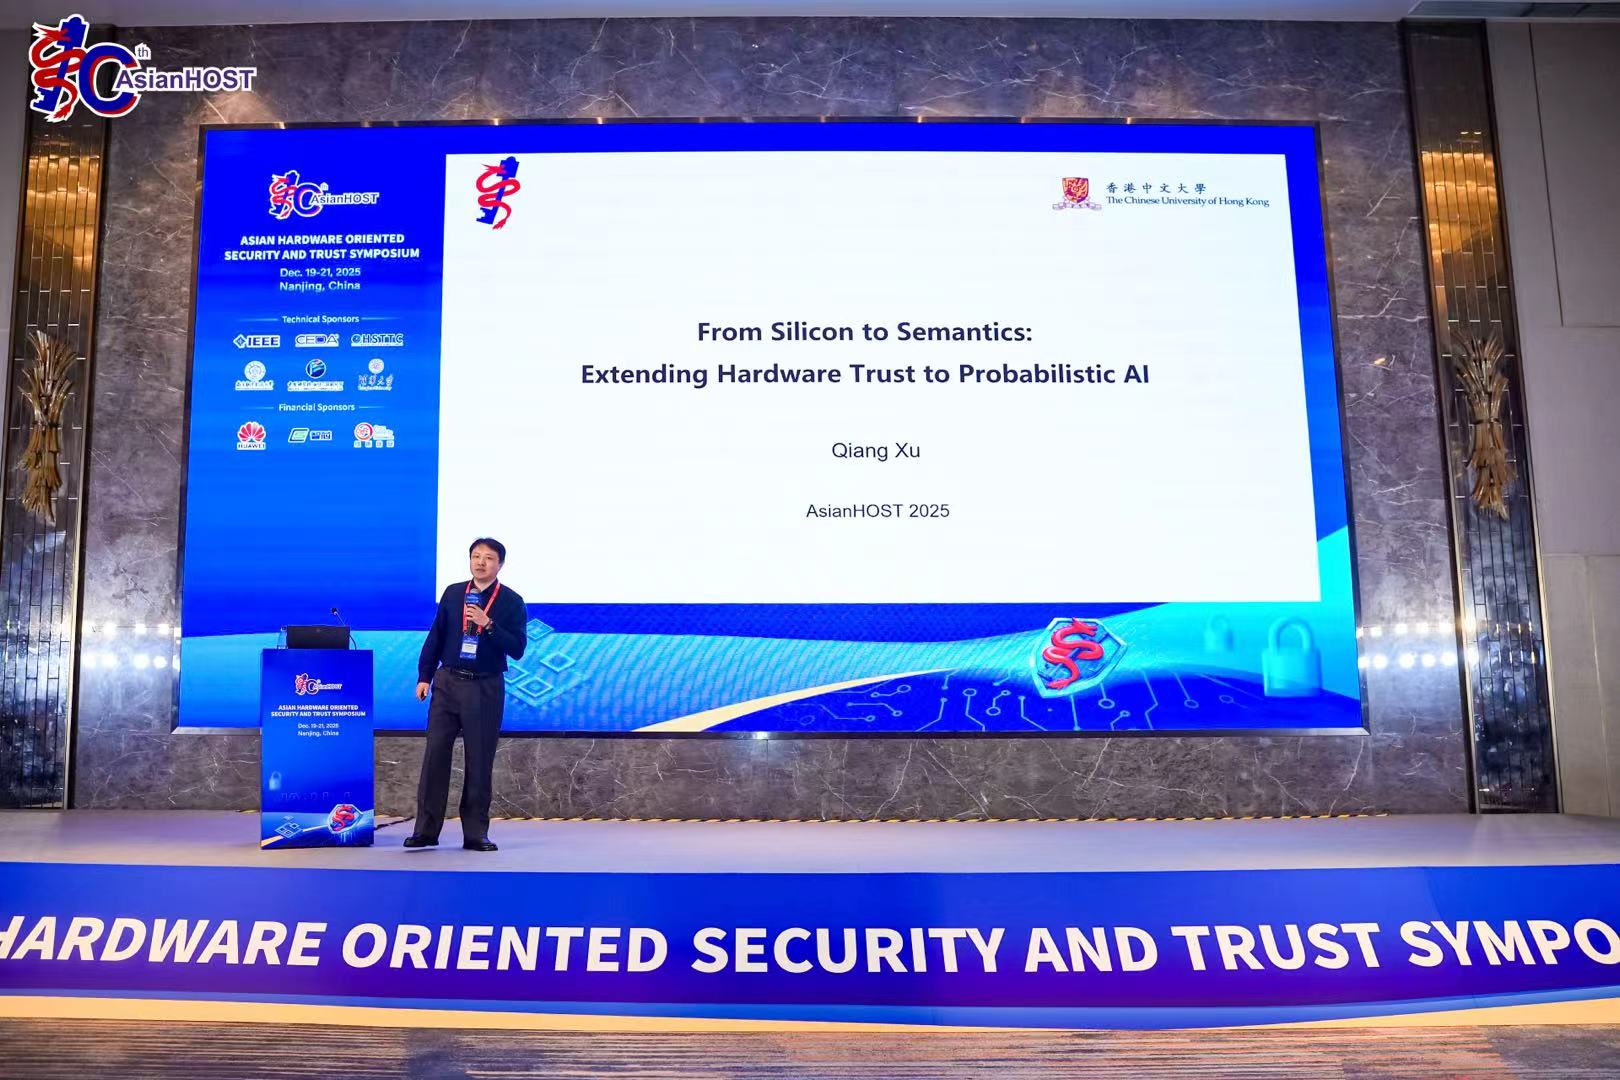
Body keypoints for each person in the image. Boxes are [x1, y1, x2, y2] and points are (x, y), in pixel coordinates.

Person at [404, 538, 527, 851]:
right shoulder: (453, 593)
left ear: (500, 564)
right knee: (435, 756)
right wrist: (425, 676)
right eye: (476, 556)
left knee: (479, 760)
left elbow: (517, 649)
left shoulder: (511, 601)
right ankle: (425, 831)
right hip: (447, 683)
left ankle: (475, 834)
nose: (480, 562)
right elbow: (437, 635)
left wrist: (488, 624)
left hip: (484, 686)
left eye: (488, 558)